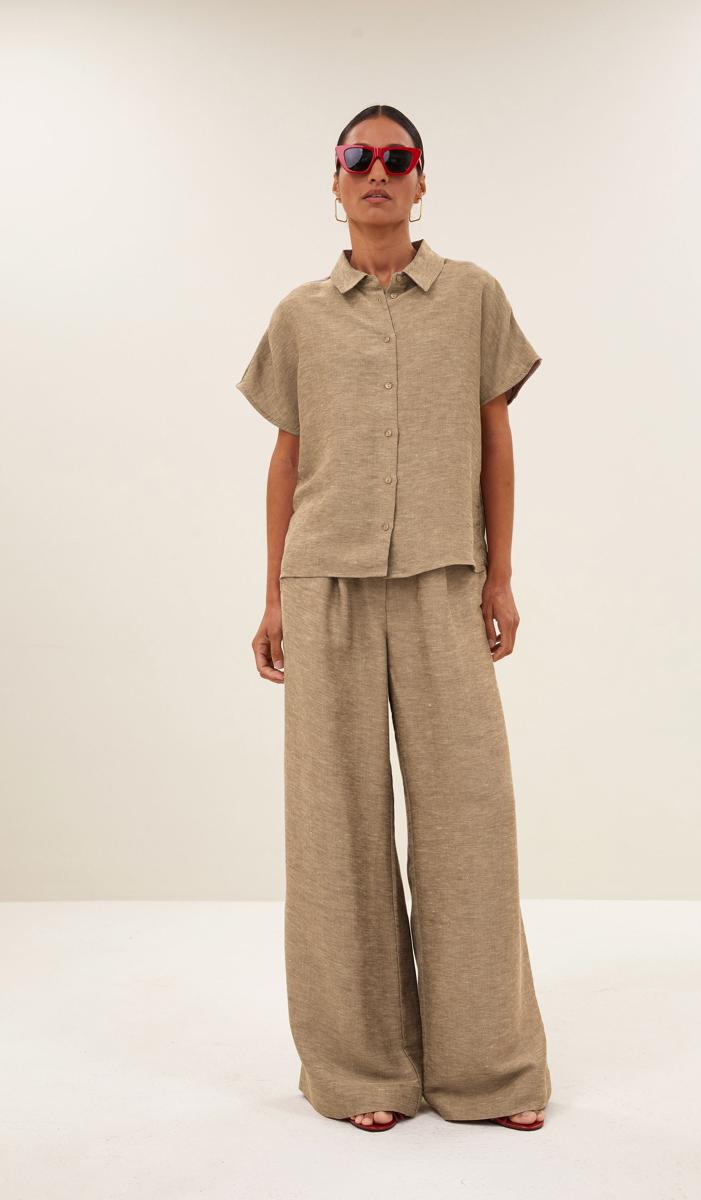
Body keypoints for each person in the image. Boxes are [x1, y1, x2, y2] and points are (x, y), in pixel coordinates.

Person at [235, 104, 552, 1134]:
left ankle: (487, 1070)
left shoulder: (474, 298)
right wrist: (273, 594)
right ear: (335, 182)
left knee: (469, 817)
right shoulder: (298, 316)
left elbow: (495, 442)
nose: (377, 171)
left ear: (421, 179)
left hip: (443, 578)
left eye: (396, 158)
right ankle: (362, 1070)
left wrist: (500, 576)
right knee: (334, 829)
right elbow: (285, 460)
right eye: (358, 157)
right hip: (322, 582)